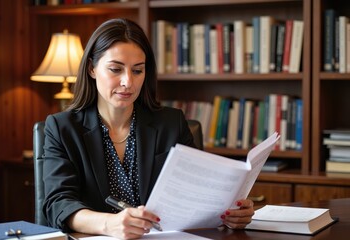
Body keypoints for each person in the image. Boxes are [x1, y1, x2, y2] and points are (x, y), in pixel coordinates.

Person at [42, 18, 254, 240]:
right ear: (92, 69)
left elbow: (198, 193)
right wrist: (109, 223)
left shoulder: (172, 123)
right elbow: (58, 205)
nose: (128, 82)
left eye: (137, 71)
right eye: (115, 69)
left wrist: (230, 212)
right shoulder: (61, 128)